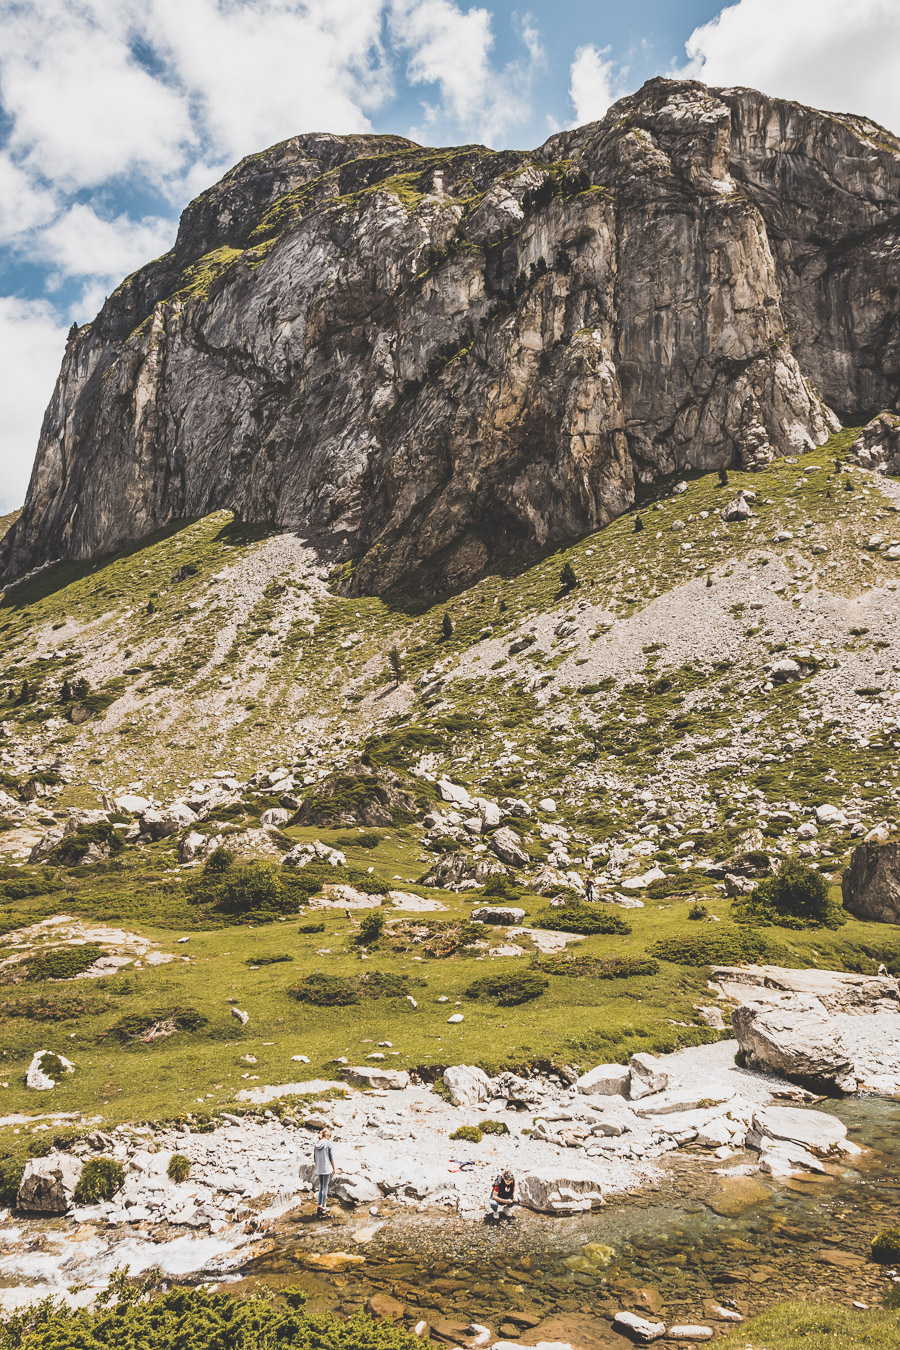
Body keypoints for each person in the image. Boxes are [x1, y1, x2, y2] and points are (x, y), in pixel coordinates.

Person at [313, 1125, 334, 1217]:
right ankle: (324, 1206)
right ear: (327, 1135)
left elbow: (314, 1158)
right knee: (325, 1186)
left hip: (319, 1168)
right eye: (330, 1136)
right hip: (326, 1168)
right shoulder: (328, 1144)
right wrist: (334, 1168)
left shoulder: (316, 1144)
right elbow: (331, 1157)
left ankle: (319, 1205)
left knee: (321, 1186)